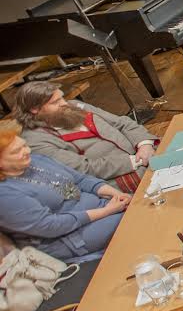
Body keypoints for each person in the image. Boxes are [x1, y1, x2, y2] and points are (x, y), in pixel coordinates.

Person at [0, 121, 128, 262]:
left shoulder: (35, 160)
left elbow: (79, 180)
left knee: (143, 203)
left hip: (102, 208)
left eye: (24, 145)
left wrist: (116, 194)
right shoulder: (5, 194)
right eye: (16, 151)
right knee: (135, 220)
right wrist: (107, 211)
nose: (27, 151)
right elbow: (51, 226)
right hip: (71, 238)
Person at [11, 82, 156, 191]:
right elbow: (84, 169)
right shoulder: (36, 140)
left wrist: (145, 145)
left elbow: (121, 123)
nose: (65, 104)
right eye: (55, 102)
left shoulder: (74, 105)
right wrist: (137, 160)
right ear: (34, 109)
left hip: (145, 153)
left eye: (62, 98)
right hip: (120, 179)